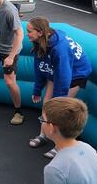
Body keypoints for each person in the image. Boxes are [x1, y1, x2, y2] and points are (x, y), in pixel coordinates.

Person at [26, 17, 92, 159]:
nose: (27, 34)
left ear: (40, 32)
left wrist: (59, 102)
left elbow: (64, 76)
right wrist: (37, 90)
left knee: (62, 111)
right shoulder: (40, 42)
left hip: (75, 73)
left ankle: (60, 145)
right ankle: (43, 135)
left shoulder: (59, 48)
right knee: (47, 104)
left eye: (29, 31)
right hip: (56, 70)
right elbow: (40, 68)